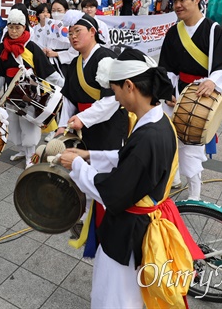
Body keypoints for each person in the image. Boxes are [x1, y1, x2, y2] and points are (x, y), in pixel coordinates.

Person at [59, 48, 197, 309]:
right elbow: (128, 159)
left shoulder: (148, 136)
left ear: (129, 85)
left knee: (115, 298)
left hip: (129, 232)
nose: (115, 97)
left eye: (115, 90)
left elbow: (113, 192)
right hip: (142, 222)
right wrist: (89, 155)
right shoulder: (159, 121)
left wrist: (76, 165)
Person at [159, 0, 222, 199]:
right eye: (175, 1)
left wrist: (211, 81)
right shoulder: (173, 32)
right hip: (177, 92)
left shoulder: (213, 30)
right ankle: (173, 178)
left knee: (191, 147)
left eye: (183, 0)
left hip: (201, 94)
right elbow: (166, 68)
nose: (177, 5)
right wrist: (168, 92)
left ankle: (195, 195)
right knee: (167, 138)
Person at [0, 9, 64, 168]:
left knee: (28, 126)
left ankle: (30, 156)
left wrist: (64, 85)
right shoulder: (3, 48)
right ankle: (22, 150)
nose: (14, 31)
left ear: (24, 27)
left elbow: (47, 70)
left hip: (31, 95)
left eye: (17, 27)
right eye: (11, 27)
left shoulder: (32, 47)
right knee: (15, 126)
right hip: (11, 94)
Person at [57, 10, 129, 150]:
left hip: (108, 124)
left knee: (105, 166)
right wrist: (63, 125)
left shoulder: (107, 57)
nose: (73, 37)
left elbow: (113, 98)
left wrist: (83, 118)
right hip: (81, 125)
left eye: (78, 31)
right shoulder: (74, 63)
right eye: (70, 33)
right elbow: (69, 98)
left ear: (92, 31)